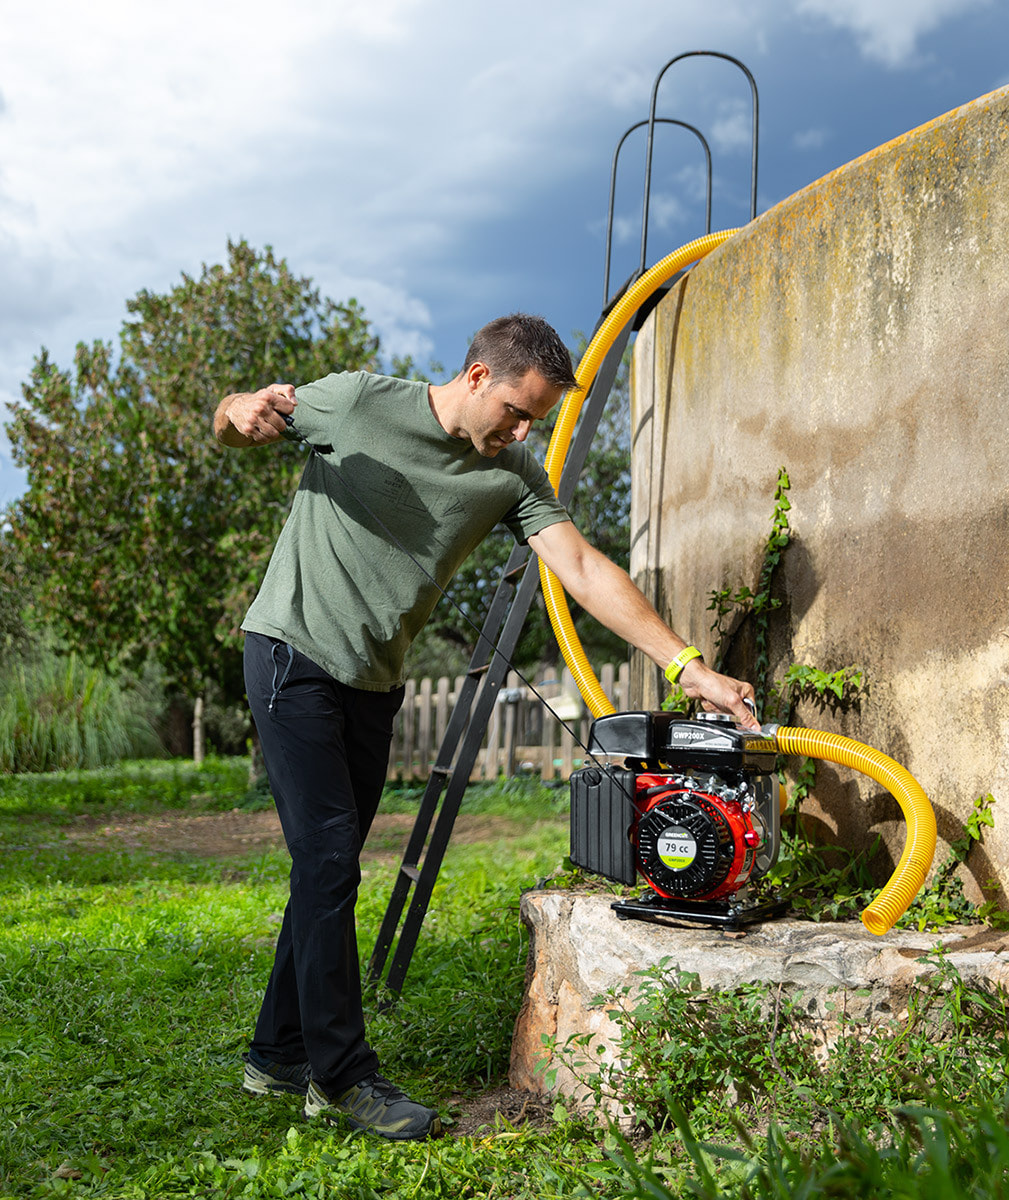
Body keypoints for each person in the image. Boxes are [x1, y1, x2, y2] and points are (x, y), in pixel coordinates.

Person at [213, 313, 757, 1142]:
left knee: (330, 862)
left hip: (373, 678)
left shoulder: (510, 474)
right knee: (326, 859)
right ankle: (342, 1075)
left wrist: (691, 668)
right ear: (475, 378)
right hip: (291, 649)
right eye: (516, 410)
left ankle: (278, 1050)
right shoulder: (357, 403)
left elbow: (581, 567)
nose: (522, 429)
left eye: (533, 418)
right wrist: (238, 406)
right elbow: (235, 420)